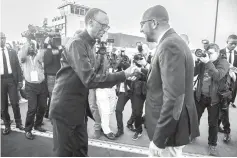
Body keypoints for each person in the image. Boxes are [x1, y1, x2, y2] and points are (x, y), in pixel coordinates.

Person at [49, 8, 139, 156]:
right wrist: (123, 74)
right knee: (64, 153)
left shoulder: (89, 45)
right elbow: (90, 79)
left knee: (81, 151)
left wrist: (124, 75)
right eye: (103, 25)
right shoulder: (77, 44)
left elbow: (95, 76)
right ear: (90, 22)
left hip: (78, 109)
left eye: (107, 27)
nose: (105, 30)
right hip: (65, 110)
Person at [139, 5, 199, 156]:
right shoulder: (174, 41)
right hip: (172, 128)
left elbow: (174, 98)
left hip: (169, 134)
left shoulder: (169, 45)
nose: (141, 30)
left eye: (142, 24)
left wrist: (159, 139)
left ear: (153, 23)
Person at [194, 43, 229, 156]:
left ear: (218, 53)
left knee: (213, 123)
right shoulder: (204, 61)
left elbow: (218, 76)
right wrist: (196, 61)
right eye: (207, 52)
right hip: (201, 95)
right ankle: (193, 135)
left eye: (211, 53)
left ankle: (212, 144)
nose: (207, 55)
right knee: (195, 117)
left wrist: (208, 62)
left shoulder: (223, 63)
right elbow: (193, 72)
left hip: (214, 98)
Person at [19, 39, 48, 140]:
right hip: (30, 86)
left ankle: (38, 124)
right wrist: (27, 42)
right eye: (30, 46)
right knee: (32, 109)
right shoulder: (24, 57)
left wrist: (40, 42)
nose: (31, 47)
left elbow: (44, 55)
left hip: (42, 84)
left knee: (43, 106)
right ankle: (28, 129)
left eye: (33, 46)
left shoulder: (39, 54)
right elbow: (22, 56)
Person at [1, 32, 25, 135]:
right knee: (3, 105)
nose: (2, 40)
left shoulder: (12, 52)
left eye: (3, 38)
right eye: (0, 38)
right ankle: (7, 125)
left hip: (11, 80)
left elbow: (18, 67)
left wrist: (20, 81)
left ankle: (19, 123)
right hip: (1, 81)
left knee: (15, 103)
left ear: (5, 39)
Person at [218, 34, 237, 143]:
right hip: (220, 85)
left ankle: (220, 127)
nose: (233, 46)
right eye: (231, 43)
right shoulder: (219, 52)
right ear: (226, 41)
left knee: (224, 108)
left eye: (236, 44)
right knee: (223, 109)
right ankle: (226, 131)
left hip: (231, 87)